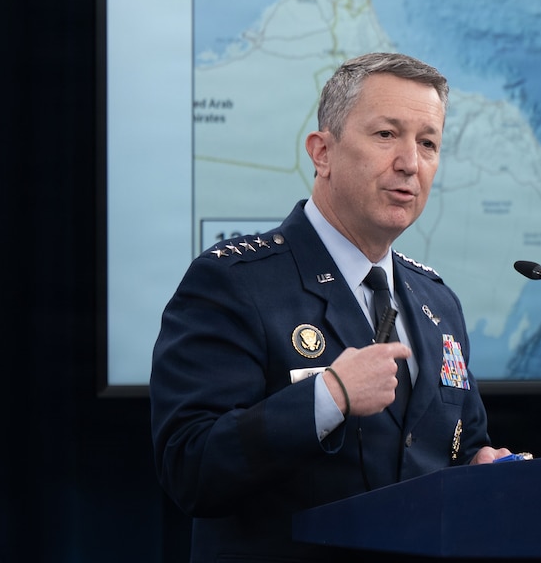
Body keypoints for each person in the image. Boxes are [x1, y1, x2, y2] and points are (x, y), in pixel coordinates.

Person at [151, 52, 511, 562]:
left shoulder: (437, 303)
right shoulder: (233, 284)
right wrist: (329, 396)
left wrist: (480, 466)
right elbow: (190, 469)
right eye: (386, 135)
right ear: (322, 152)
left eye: (427, 143)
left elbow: (461, 444)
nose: (410, 162)